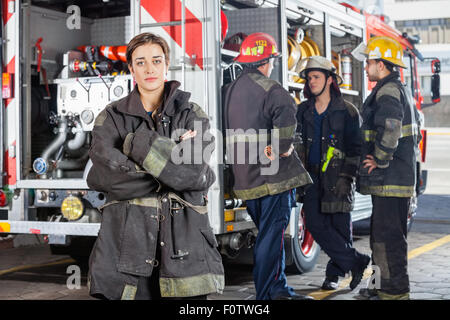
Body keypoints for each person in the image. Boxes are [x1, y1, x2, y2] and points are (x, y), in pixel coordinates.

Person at [86, 32, 224, 300]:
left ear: (166, 64)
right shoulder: (111, 118)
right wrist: (171, 169)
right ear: (131, 68)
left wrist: (139, 143)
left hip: (186, 253)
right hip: (126, 253)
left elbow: (194, 172)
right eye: (140, 62)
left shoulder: (192, 114)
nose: (149, 68)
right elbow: (105, 176)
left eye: (156, 60)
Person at [223, 32, 313, 300]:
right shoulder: (272, 90)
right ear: (266, 61)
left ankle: (276, 288)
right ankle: (269, 295)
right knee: (271, 238)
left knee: (267, 235)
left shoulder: (229, 91)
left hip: (246, 180)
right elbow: (287, 121)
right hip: (272, 180)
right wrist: (283, 147)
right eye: (273, 59)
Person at [294, 56, 370, 291]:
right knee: (315, 225)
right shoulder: (302, 110)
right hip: (311, 178)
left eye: (316, 77)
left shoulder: (347, 111)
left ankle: (333, 275)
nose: (311, 81)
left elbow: (356, 149)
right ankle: (357, 262)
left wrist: (348, 177)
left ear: (329, 80)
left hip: (339, 177)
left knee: (340, 228)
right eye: (309, 77)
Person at [352, 36, 418, 300]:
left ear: (381, 64)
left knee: (389, 241)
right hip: (390, 181)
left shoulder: (388, 90)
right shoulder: (393, 88)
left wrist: (379, 158)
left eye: (369, 62)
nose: (366, 67)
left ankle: (395, 292)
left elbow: (390, 126)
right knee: (379, 239)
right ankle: (379, 286)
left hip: (391, 179)